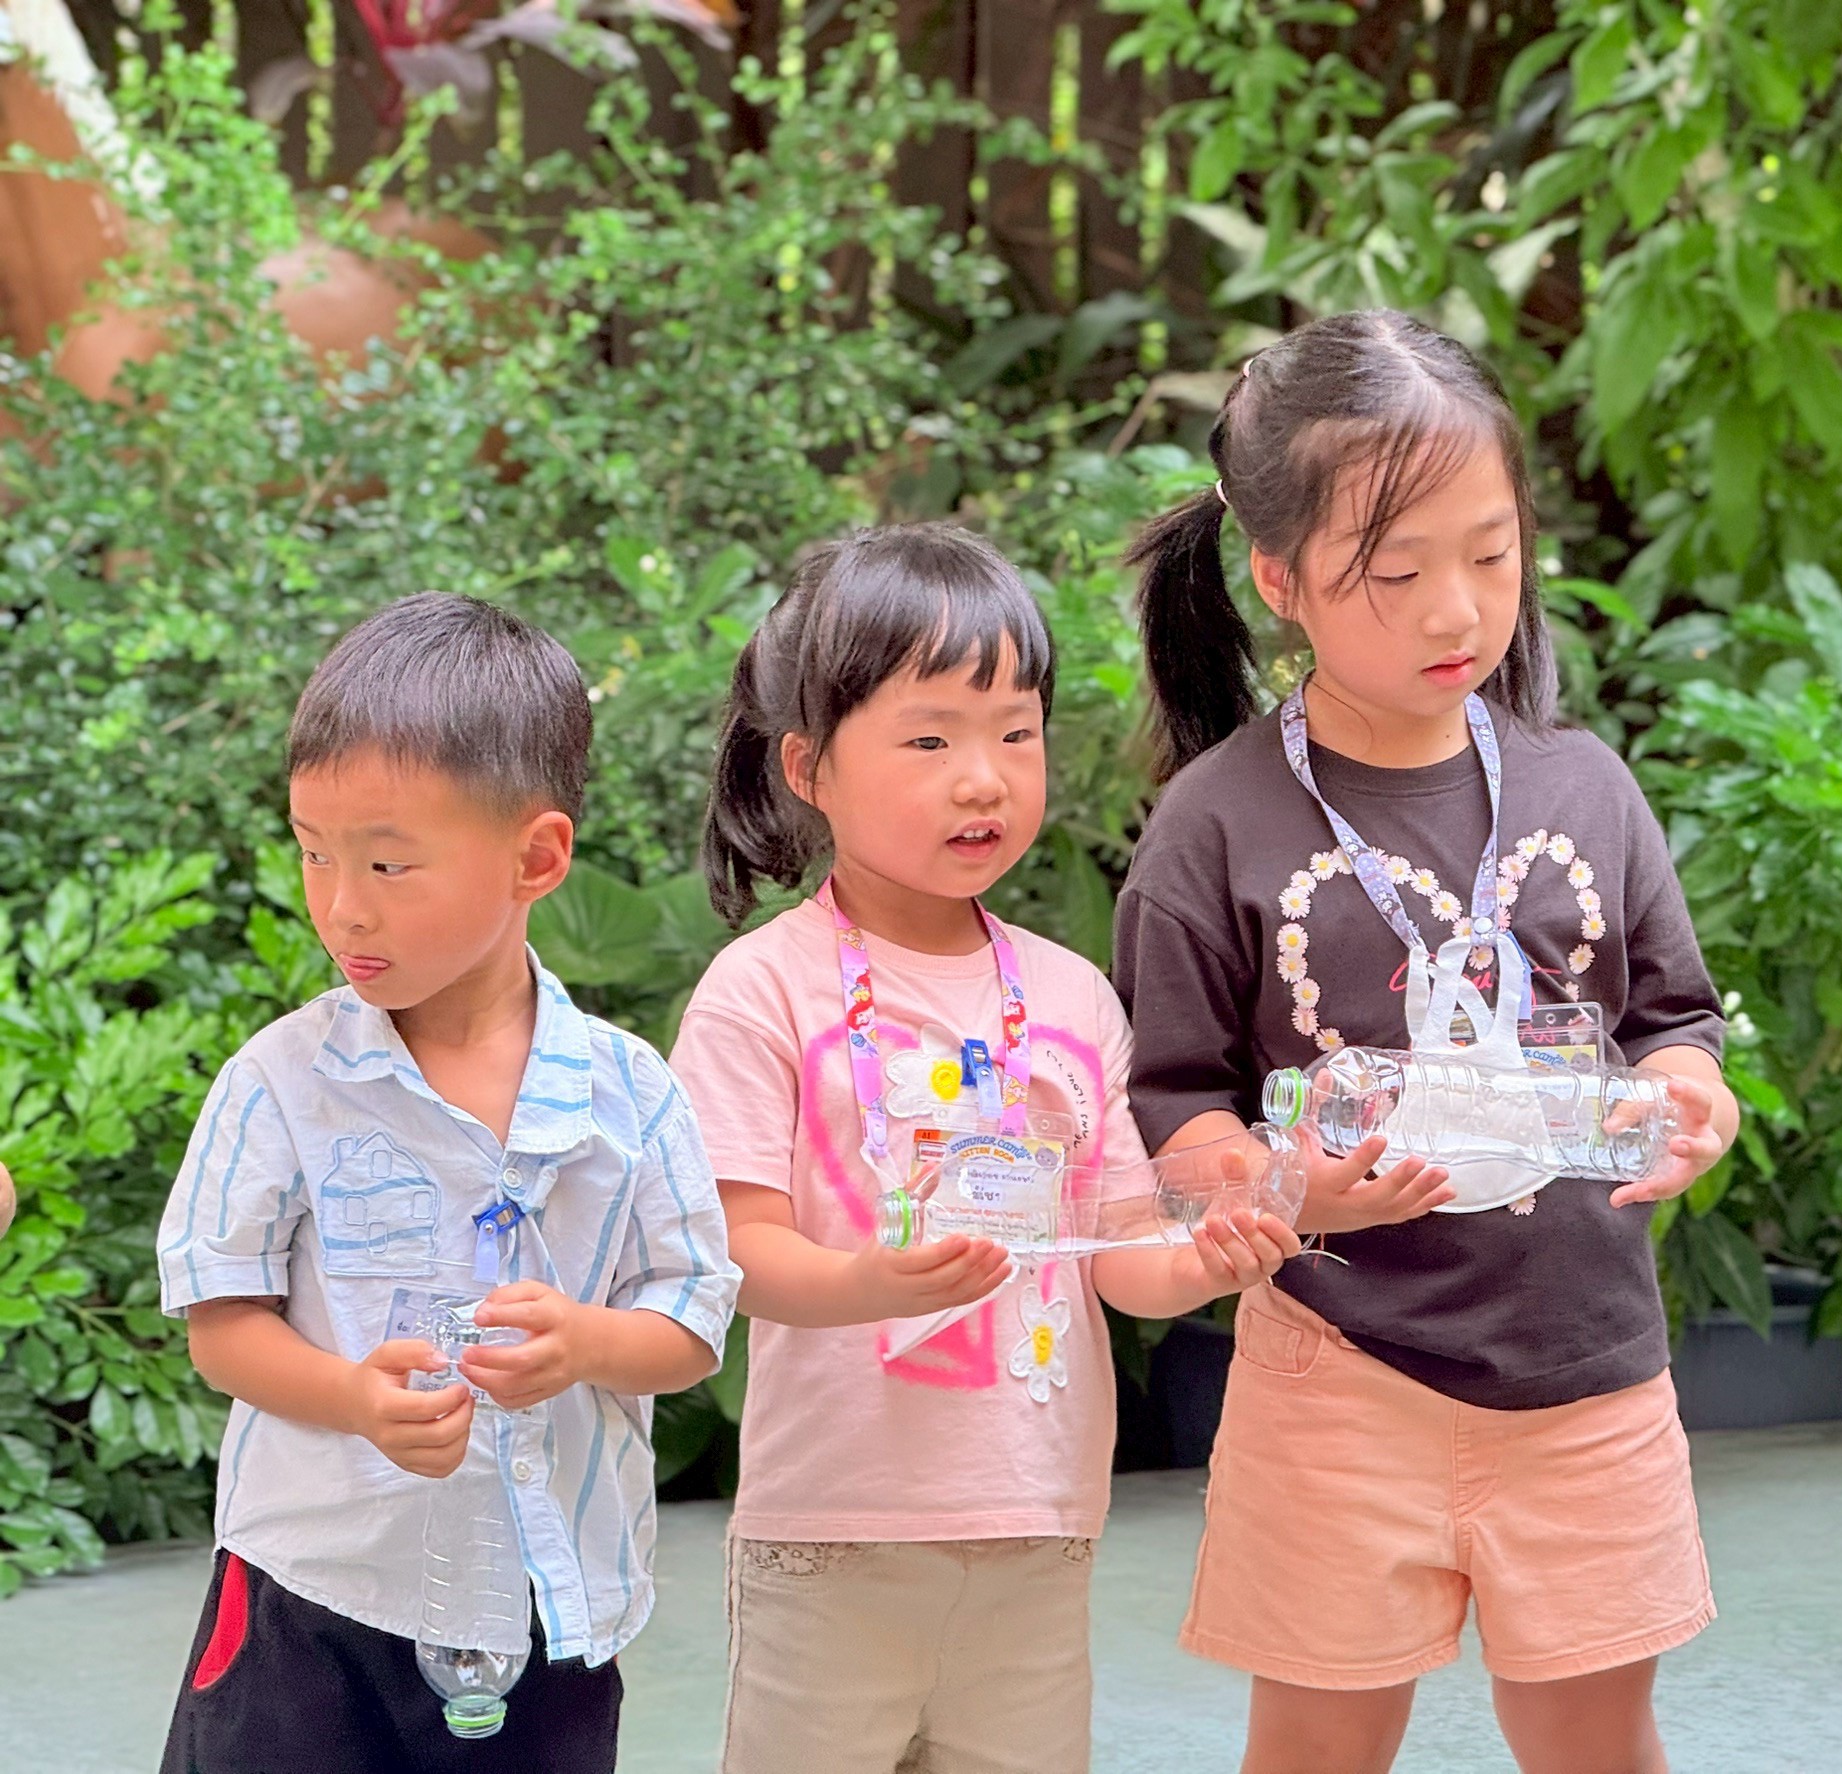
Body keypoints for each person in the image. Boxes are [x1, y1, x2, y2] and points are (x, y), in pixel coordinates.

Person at [1112, 310, 1741, 1774]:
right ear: (1279, 578)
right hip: (1338, 1374)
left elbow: (1673, 1020)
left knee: (1597, 1739)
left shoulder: (1586, 786)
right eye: (1394, 575)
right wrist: (1283, 1189)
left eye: (1493, 555)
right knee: (1319, 1747)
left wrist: (1686, 1099)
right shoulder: (1214, 825)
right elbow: (1177, 1102)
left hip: (1588, 1369)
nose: (1456, 610)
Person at [669, 522, 1299, 1774]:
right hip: (832, 1537)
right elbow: (734, 1251)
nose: (984, 779)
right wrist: (867, 1282)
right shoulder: (760, 990)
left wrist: (1207, 1254)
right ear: (808, 765)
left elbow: (1122, 1249)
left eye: (1017, 733)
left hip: (1037, 1528)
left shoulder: (1071, 995)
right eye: (930, 740)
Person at [154, 595, 740, 1774]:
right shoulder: (281, 1081)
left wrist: (585, 1341)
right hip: (313, 1598)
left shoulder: (630, 1094)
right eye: (314, 851)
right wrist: (352, 1396)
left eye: (387, 862)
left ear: (537, 858)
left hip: (546, 1612)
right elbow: (221, 1327)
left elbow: (689, 1323)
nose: (342, 904)